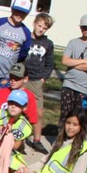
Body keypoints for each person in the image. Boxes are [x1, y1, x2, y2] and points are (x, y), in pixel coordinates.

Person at [18, 108, 87, 173]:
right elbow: (45, 160)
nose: (70, 127)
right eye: (68, 123)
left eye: (75, 125)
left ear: (81, 127)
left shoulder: (83, 148)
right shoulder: (61, 140)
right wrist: (28, 169)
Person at [0, 0, 32, 109]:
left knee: (0, 106)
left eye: (23, 13)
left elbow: (22, 54)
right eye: (17, 10)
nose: (19, 14)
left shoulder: (26, 33)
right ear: (12, 9)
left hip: (7, 76)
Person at [57, 13, 87, 124]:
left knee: (80, 118)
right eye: (84, 27)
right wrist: (84, 61)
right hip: (68, 84)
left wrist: (72, 63)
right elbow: (64, 61)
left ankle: (77, 141)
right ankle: (60, 139)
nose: (86, 30)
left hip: (84, 87)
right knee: (65, 115)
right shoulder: (73, 42)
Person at [24, 12, 55, 147]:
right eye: (39, 25)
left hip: (36, 79)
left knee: (38, 111)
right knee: (19, 107)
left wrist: (43, 78)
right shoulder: (26, 38)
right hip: (23, 78)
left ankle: (37, 140)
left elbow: (49, 64)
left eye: (44, 28)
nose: (41, 29)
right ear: (34, 23)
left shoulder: (48, 44)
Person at [0, 63, 39, 142]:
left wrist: (13, 129)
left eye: (17, 78)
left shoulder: (29, 96)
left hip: (15, 136)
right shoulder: (0, 93)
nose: (13, 80)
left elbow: (31, 121)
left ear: (25, 79)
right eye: (11, 77)